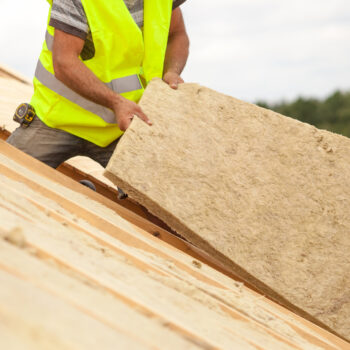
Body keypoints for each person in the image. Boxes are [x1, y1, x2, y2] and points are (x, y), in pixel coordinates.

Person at [7, 0, 189, 174]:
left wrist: (172, 71)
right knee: (8, 178)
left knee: (155, 195)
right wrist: (116, 102)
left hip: (125, 125)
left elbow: (176, 35)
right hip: (59, 120)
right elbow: (64, 62)